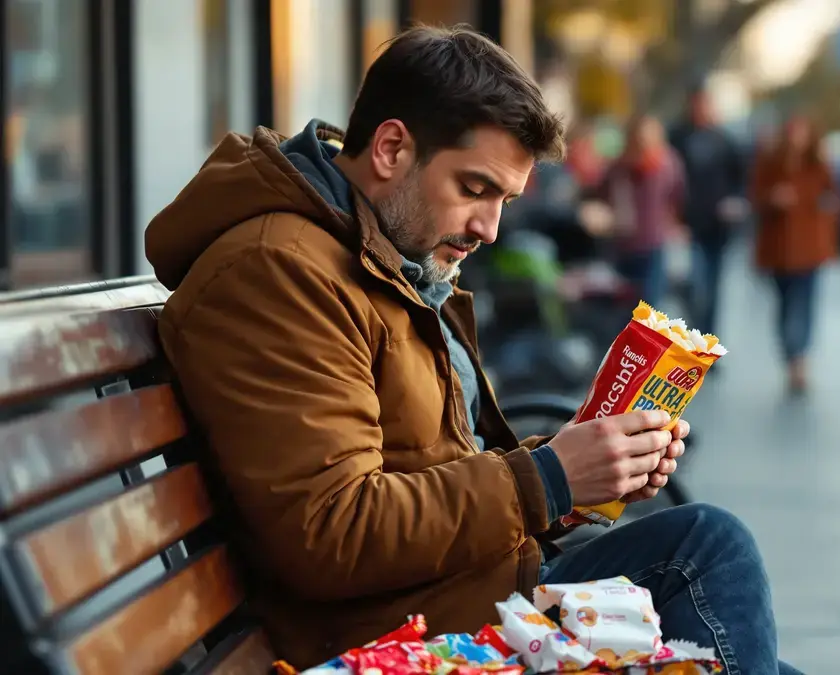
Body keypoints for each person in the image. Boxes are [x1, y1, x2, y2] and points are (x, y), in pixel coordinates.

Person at [143, 26, 798, 675]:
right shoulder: (280, 271)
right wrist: (547, 478)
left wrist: (580, 471)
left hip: (457, 594)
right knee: (707, 549)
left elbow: (426, 465)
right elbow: (329, 531)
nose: (489, 228)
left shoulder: (382, 259)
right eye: (475, 189)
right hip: (394, 635)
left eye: (505, 199)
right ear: (393, 148)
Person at [750, 117, 840, 394]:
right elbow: (755, 197)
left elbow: (834, 198)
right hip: (778, 251)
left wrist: (823, 212)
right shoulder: (770, 163)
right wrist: (772, 199)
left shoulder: (818, 164)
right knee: (785, 304)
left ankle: (799, 358)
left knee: (804, 304)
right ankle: (791, 354)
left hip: (810, 248)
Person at [669, 86, 748, 335]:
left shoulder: (724, 140)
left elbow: (740, 179)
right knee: (695, 288)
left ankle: (706, 346)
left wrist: (735, 201)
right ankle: (692, 341)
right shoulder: (678, 138)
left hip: (718, 229)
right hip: (688, 227)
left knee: (713, 291)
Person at [599, 114, 686, 309]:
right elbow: (601, 196)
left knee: (648, 306)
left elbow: (677, 197)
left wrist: (672, 225)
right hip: (622, 244)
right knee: (625, 306)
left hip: (654, 245)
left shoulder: (667, 164)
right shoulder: (618, 168)